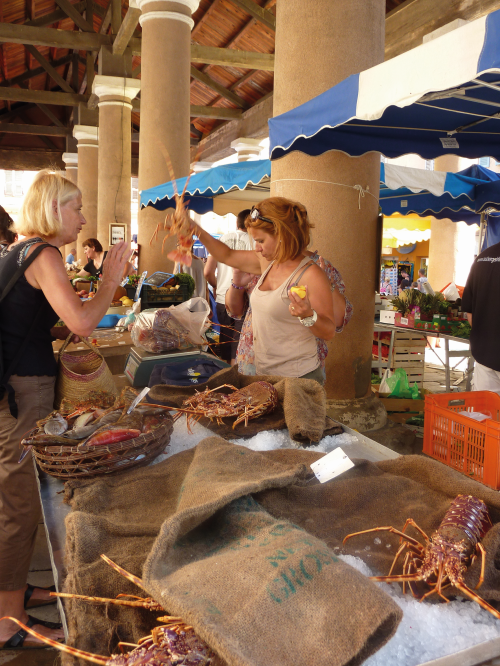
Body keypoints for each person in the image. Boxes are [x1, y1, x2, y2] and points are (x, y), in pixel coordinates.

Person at [0, 170, 130, 648]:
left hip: (15, 386)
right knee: (18, 503)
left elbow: (31, 322)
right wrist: (111, 280)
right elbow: (80, 318)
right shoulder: (45, 252)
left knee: (18, 496)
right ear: (54, 210)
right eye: (75, 208)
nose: (81, 219)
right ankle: (7, 624)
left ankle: (14, 592)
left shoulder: (19, 249)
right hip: (24, 393)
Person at [196, 198, 336, 383]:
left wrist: (308, 315)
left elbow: (329, 331)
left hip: (298, 379)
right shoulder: (267, 262)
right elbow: (226, 254)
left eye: (261, 240)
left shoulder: (311, 274)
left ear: (282, 234)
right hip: (264, 373)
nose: (257, 248)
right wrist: (195, 230)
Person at [226, 253, 353, 377]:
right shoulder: (262, 261)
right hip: (252, 361)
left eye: (262, 239)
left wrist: (325, 285)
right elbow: (235, 311)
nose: (258, 247)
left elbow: (340, 319)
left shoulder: (316, 267)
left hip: (297, 369)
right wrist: (237, 284)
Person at [204, 209, 253, 364]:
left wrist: (217, 287)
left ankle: (225, 376)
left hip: (221, 298)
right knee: (239, 344)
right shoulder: (253, 242)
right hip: (243, 300)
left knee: (225, 342)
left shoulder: (221, 240)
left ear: (236, 223)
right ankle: (236, 383)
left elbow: (207, 272)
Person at [462, 241, 500, 393]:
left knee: (484, 413)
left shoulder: (482, 258)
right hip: (485, 354)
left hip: (484, 354)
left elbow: (469, 313)